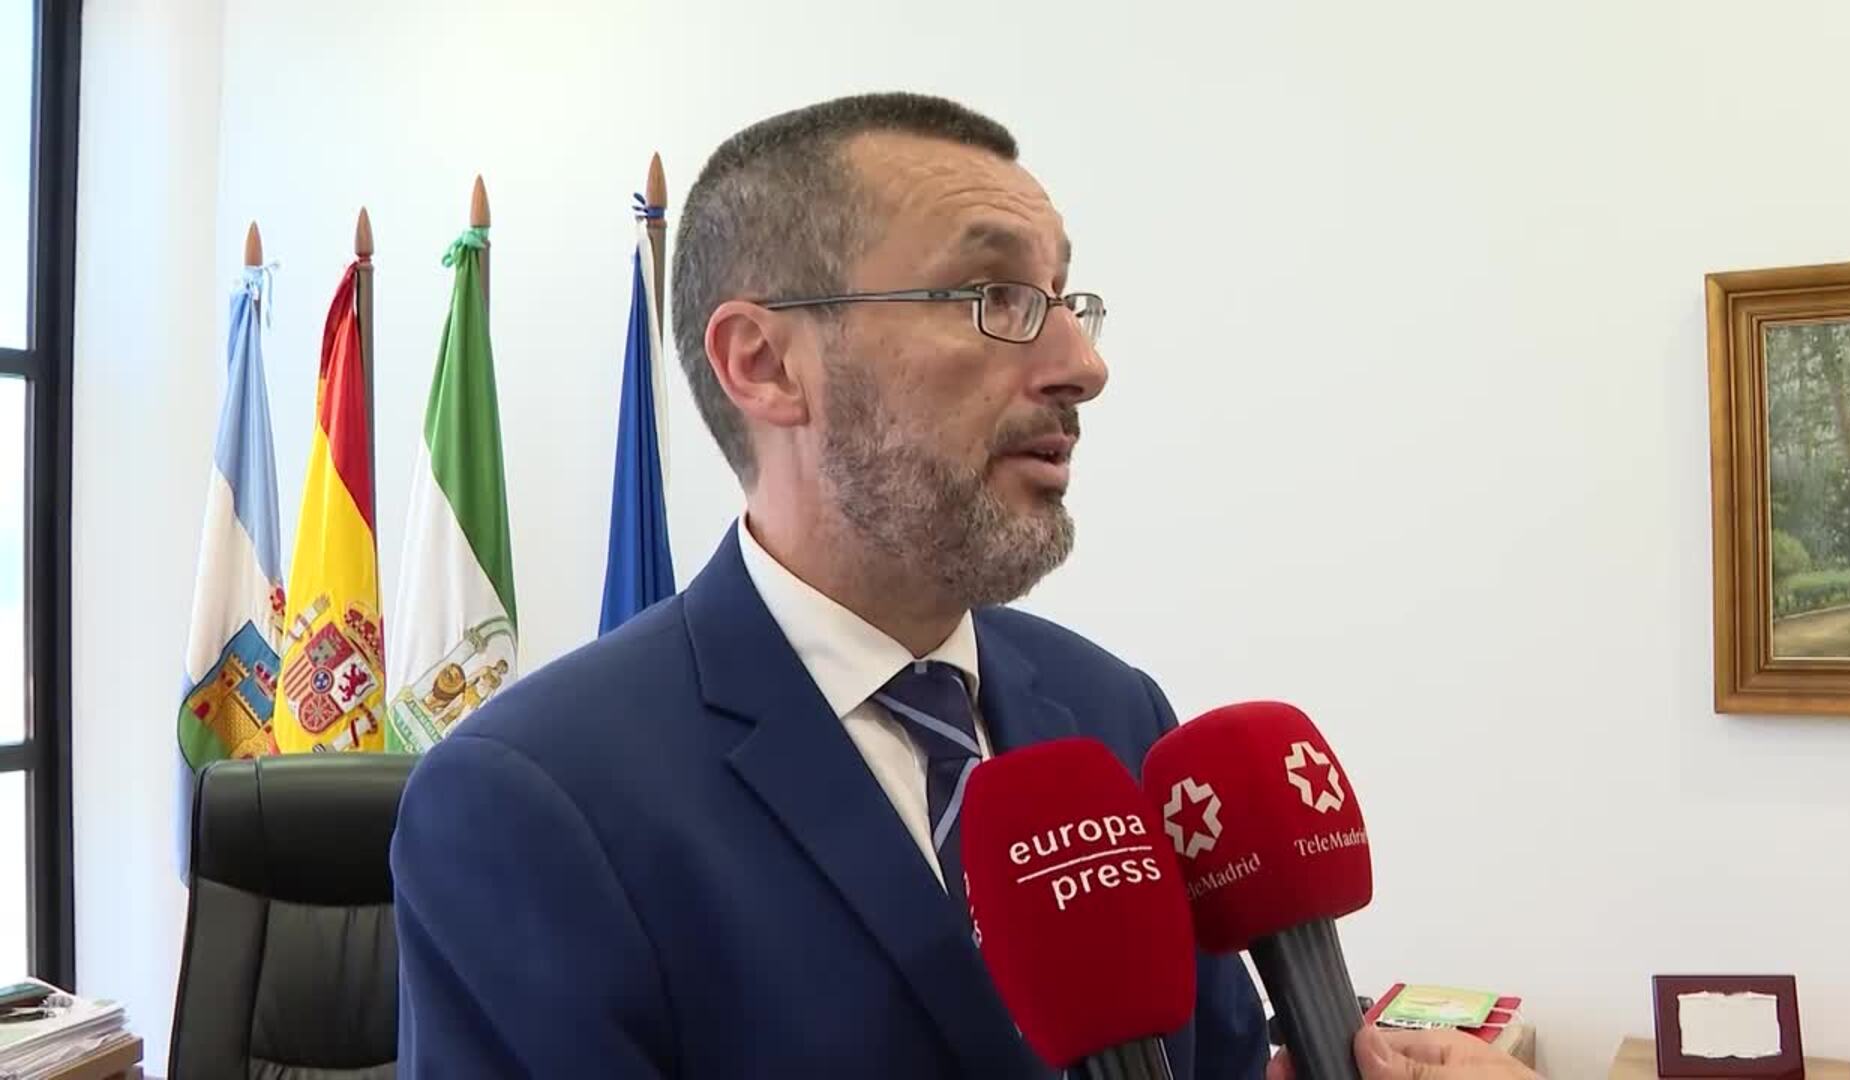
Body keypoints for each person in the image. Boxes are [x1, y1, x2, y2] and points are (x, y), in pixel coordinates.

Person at [390, 93, 1535, 1080]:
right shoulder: (531, 803)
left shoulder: (1114, 714)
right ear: (766, 364)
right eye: (993, 297)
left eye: (1066, 299)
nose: (1082, 365)